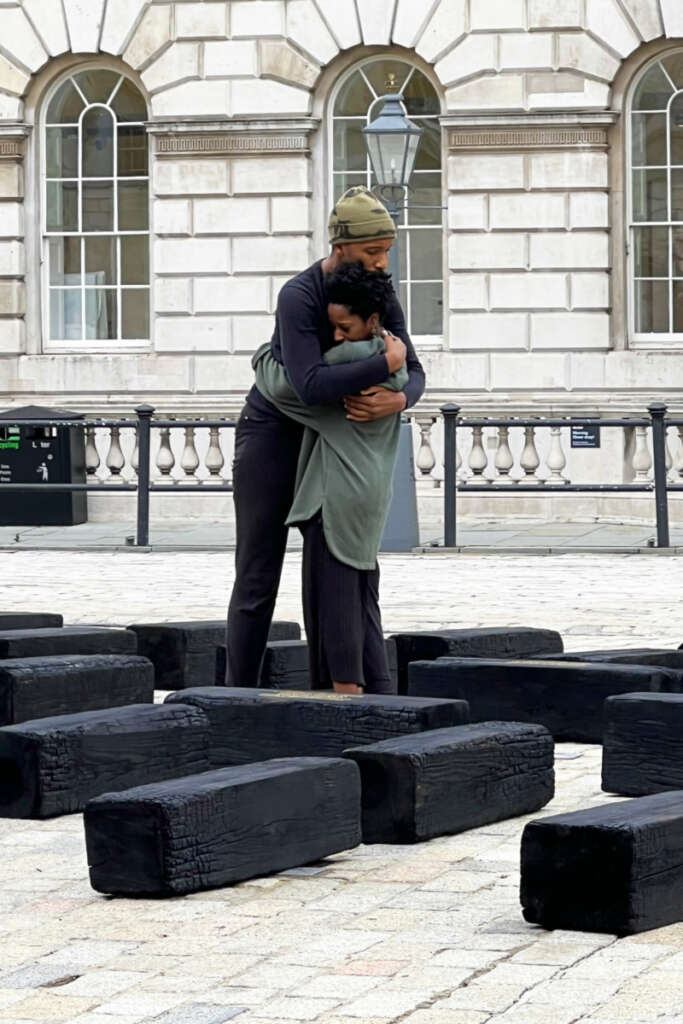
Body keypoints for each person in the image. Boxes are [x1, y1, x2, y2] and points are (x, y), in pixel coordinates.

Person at [226, 186, 426, 686]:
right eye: (372, 252)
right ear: (340, 248)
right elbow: (310, 385)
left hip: (329, 440)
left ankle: (349, 691)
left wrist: (400, 398)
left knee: (346, 564)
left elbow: (417, 370)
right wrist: (384, 364)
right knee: (258, 571)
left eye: (386, 252)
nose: (382, 263)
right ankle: (237, 697)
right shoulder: (298, 295)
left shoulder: (378, 292)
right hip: (274, 432)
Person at [253, 263, 407, 693]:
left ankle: (347, 695)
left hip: (335, 495)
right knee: (362, 596)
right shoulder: (391, 367)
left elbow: (286, 387)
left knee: (332, 599)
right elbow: (410, 372)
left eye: (344, 326)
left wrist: (264, 355)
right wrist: (392, 360)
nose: (336, 335)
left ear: (372, 322)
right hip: (370, 491)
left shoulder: (350, 363)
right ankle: (380, 692)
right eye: (332, 327)